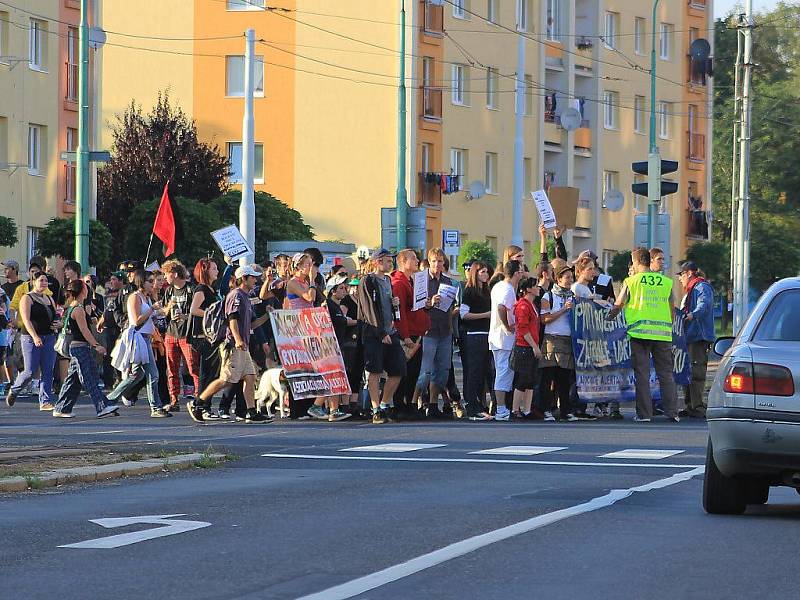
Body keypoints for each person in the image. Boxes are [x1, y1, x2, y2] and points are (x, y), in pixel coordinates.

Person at [608, 247, 680, 423]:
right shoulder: (666, 282)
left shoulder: (632, 281)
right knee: (666, 374)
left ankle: (644, 414)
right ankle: (673, 412)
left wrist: (608, 317)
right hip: (662, 334)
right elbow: (672, 309)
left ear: (636, 262)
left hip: (639, 334)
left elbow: (618, 304)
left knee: (642, 374)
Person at [191, 265, 270, 423]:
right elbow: (231, 319)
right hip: (233, 344)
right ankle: (198, 404)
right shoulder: (236, 296)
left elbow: (252, 324)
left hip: (243, 345)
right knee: (226, 379)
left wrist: (268, 315)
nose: (255, 280)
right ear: (244, 278)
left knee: (250, 376)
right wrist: (238, 339)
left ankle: (251, 412)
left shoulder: (246, 298)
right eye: (252, 277)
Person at [107, 270, 172, 418]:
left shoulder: (146, 298)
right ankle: (156, 407)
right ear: (141, 282)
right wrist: (152, 309)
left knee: (137, 375)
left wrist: (162, 310)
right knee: (153, 374)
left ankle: (109, 399)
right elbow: (136, 320)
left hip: (146, 339)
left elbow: (153, 316)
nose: (152, 283)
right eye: (149, 281)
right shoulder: (134, 297)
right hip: (138, 339)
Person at [52, 280, 119, 418]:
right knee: (89, 377)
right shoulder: (78, 309)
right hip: (80, 347)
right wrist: (96, 345)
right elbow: (84, 331)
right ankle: (102, 406)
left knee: (73, 380)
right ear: (82, 290)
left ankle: (62, 407)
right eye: (85, 287)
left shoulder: (72, 307)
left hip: (76, 347)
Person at [356, 248, 406, 424]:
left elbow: (388, 305)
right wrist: (380, 332)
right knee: (374, 371)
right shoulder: (367, 281)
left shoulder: (388, 280)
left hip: (390, 330)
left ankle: (385, 403)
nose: (390, 263)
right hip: (374, 333)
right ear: (377, 262)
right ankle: (375, 407)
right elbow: (369, 308)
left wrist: (395, 305)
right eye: (386, 260)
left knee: (398, 369)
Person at [5, 271, 59, 409]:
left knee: (48, 370)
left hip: (49, 337)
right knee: (30, 371)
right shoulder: (27, 298)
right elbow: (26, 320)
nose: (44, 283)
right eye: (41, 280)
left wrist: (59, 324)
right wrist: (35, 336)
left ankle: (45, 401)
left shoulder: (49, 298)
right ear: (33, 282)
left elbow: (56, 316)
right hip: (30, 338)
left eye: (46, 281)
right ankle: (15, 389)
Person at [416, 248, 456, 419]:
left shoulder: (447, 281)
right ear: (429, 262)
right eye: (434, 261)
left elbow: (451, 304)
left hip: (444, 329)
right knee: (425, 370)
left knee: (442, 370)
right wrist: (430, 303)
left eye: (440, 261)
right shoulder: (421, 279)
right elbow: (416, 304)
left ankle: (433, 404)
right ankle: (415, 402)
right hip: (428, 330)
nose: (437, 264)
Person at [391, 249, 429, 419]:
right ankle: (400, 405)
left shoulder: (411, 281)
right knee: (405, 371)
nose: (416, 261)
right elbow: (400, 313)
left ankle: (408, 404)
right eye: (413, 258)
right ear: (403, 262)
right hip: (408, 334)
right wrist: (405, 336)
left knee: (413, 372)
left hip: (417, 331)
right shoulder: (399, 282)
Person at [539, 263, 579, 422]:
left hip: (567, 340)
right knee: (548, 377)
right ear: (558, 279)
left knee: (564, 379)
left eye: (571, 277)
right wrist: (563, 309)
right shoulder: (548, 296)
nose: (570, 280)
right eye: (567, 277)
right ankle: (546, 409)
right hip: (552, 340)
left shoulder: (572, 297)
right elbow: (544, 319)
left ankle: (565, 411)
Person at [488, 260, 525, 421]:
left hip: (497, 336)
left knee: (502, 371)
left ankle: (501, 407)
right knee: (504, 372)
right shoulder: (508, 289)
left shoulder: (498, 286)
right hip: (503, 337)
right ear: (516, 273)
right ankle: (501, 408)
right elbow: (502, 307)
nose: (523, 273)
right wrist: (507, 326)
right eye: (521, 270)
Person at [162, 260, 200, 412]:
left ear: (175, 274)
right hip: (171, 333)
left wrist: (185, 317)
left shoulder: (191, 289)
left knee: (193, 367)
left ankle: (198, 398)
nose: (165, 277)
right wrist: (168, 308)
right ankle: (174, 400)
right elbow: (164, 312)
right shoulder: (169, 291)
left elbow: (198, 312)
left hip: (187, 334)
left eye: (167, 274)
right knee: (172, 368)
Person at [677, 260, 714, 418]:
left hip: (698, 335)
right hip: (689, 336)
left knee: (696, 371)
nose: (680, 279)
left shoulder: (701, 287)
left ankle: (697, 406)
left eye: (682, 275)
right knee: (687, 371)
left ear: (689, 273)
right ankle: (689, 405)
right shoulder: (690, 290)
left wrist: (692, 315)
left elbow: (704, 305)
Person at [460, 262, 493, 421]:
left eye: (487, 272)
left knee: (483, 373)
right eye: (482, 272)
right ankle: (471, 406)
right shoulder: (469, 291)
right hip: (474, 334)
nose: (486, 275)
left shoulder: (486, 291)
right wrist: (485, 315)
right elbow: (464, 314)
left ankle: (480, 405)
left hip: (487, 335)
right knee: (474, 372)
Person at [189, 258, 221, 410]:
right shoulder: (201, 289)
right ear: (205, 270)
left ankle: (204, 403)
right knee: (207, 372)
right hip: (202, 336)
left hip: (211, 334)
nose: (217, 271)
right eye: (214, 268)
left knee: (211, 372)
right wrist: (211, 315)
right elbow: (194, 309)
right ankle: (201, 405)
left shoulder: (211, 289)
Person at [323, 274, 354, 422]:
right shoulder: (329, 304)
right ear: (332, 291)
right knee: (334, 377)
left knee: (335, 377)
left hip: (338, 344)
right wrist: (357, 321)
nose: (345, 290)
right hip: (331, 346)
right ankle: (331, 409)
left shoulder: (336, 305)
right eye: (341, 288)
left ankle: (331, 408)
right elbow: (339, 322)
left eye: (345, 287)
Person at [510, 277, 543, 419]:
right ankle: (515, 409)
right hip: (524, 347)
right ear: (528, 289)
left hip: (530, 346)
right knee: (522, 380)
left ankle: (527, 409)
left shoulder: (532, 304)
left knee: (531, 380)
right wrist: (534, 346)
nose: (539, 288)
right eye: (535, 286)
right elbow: (523, 329)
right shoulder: (523, 306)